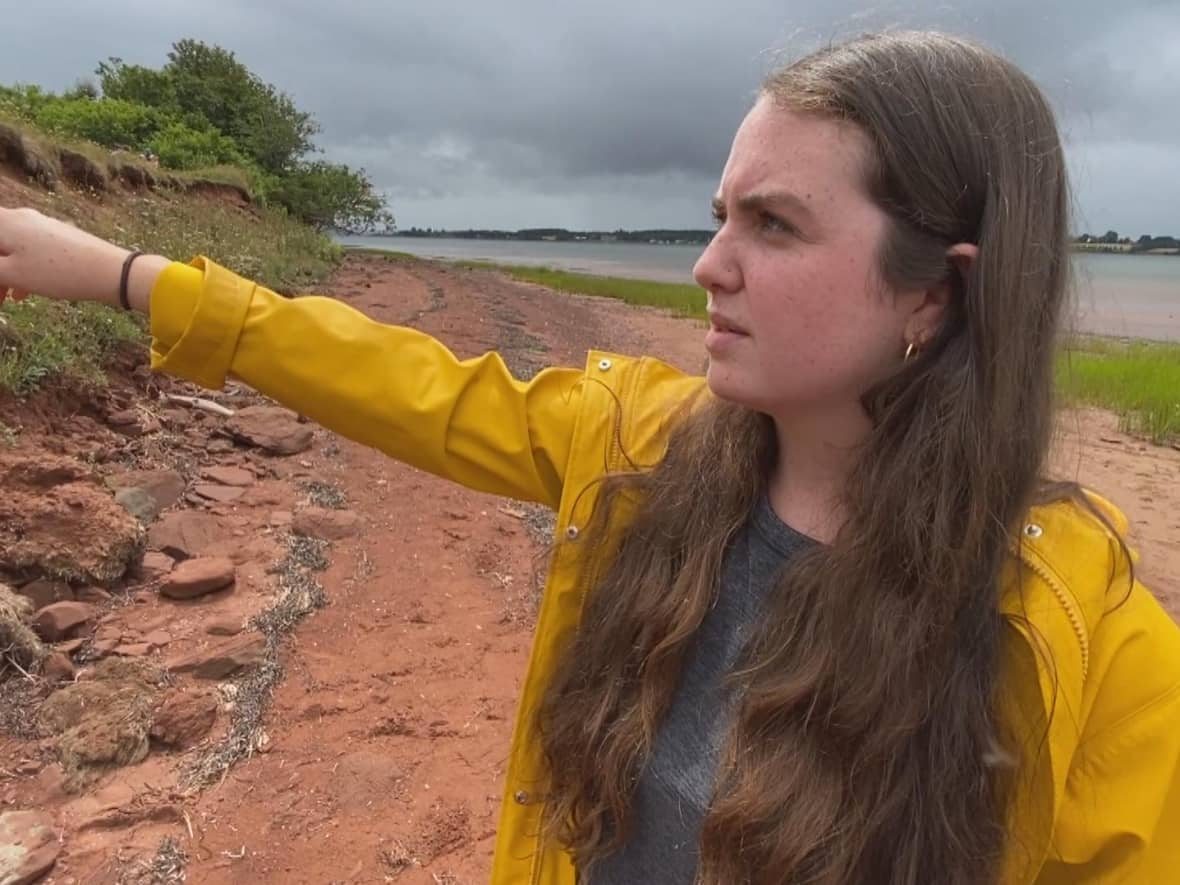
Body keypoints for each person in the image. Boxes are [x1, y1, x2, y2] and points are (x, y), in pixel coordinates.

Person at [1, 30, 1177, 885]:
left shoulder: (1088, 642)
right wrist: (122, 272)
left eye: (773, 224)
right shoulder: (635, 448)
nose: (708, 265)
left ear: (938, 285)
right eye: (719, 215)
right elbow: (397, 380)